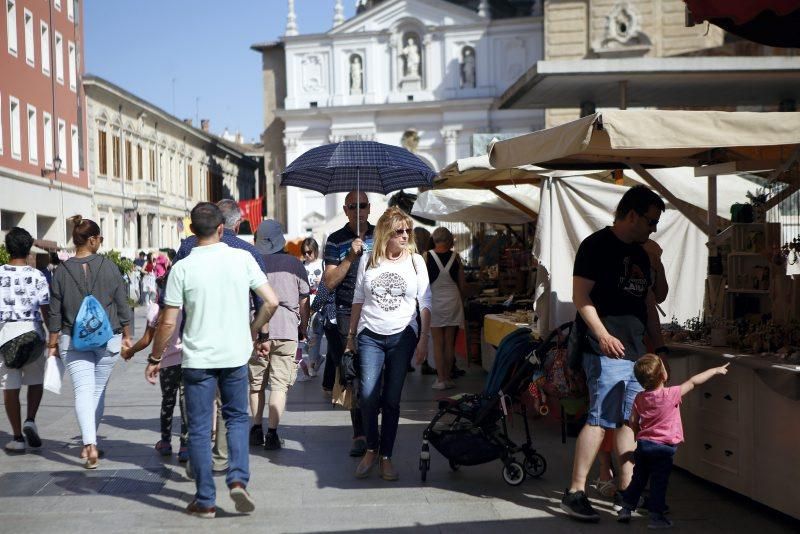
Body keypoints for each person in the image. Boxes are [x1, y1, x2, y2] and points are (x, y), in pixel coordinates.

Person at [146, 202, 278, 518]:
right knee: (235, 417)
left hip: (197, 359)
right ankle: (237, 479)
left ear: (192, 230)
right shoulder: (242, 257)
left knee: (201, 426)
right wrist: (253, 331)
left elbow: (167, 321)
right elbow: (271, 301)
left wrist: (155, 356)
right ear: (222, 228)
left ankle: (205, 499)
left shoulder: (182, 266)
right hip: (234, 354)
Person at [561, 185, 666, 522]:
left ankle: (627, 488)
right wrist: (602, 335)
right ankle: (575, 491)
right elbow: (581, 297)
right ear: (631, 214)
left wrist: (658, 347)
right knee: (599, 418)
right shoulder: (596, 246)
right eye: (650, 221)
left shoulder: (641, 253)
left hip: (635, 350)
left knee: (627, 420)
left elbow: (652, 301)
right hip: (604, 348)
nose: (653, 228)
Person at [174, 199, 267, 470]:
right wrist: (260, 335)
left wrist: (157, 354)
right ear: (234, 224)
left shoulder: (186, 249)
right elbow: (264, 301)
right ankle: (222, 458)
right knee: (232, 406)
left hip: (195, 339)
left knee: (195, 402)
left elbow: (172, 299)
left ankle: (191, 450)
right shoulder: (248, 253)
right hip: (233, 341)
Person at [346, 207, 431, 481]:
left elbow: (425, 302)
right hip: (370, 333)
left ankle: (386, 456)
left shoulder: (417, 262)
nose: (406, 235)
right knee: (368, 397)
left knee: (392, 400)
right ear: (386, 233)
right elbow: (358, 298)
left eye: (408, 230)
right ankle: (371, 447)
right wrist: (350, 336)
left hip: (403, 335)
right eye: (399, 231)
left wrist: (424, 340)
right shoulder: (369, 261)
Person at [47, 216, 132, 469]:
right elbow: (122, 303)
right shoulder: (109, 267)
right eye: (100, 239)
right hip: (108, 338)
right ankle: (91, 440)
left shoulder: (61, 272)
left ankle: (89, 445)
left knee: (83, 390)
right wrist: (128, 335)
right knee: (97, 391)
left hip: (71, 339)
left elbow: (54, 312)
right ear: (93, 240)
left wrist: (51, 344)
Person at [617, 355, 730, 528]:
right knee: (658, 483)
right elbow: (693, 382)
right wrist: (715, 370)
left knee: (638, 479)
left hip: (643, 445)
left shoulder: (639, 398)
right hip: (663, 449)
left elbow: (633, 420)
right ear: (663, 375)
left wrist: (637, 434)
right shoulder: (671, 394)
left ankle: (626, 508)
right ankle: (656, 518)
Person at [248, 219, 310, 451]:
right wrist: (303, 326)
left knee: (256, 385)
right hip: (286, 328)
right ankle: (272, 434)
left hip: (257, 327)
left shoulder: (253, 262)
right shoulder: (294, 264)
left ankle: (256, 429)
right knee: (279, 386)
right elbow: (304, 299)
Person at [322, 190, 375, 457]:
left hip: (377, 311)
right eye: (352, 206)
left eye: (362, 205)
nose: (357, 210)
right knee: (353, 373)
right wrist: (350, 257)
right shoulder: (335, 240)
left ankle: (374, 428)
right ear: (345, 210)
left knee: (376, 374)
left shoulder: (382, 235)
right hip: (344, 313)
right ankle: (360, 433)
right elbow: (329, 282)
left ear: (369, 208)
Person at [122, 274, 188, 462]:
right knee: (186, 403)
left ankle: (165, 442)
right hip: (188, 360)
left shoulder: (156, 309)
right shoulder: (187, 306)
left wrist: (130, 352)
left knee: (168, 401)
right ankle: (185, 446)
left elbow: (146, 340)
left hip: (166, 362)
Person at [0, 228, 49, 452]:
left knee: (10, 386)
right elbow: (46, 309)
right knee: (36, 380)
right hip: (33, 333)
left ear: (6, 248)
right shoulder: (37, 275)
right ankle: (30, 419)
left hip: (6, 335)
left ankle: (17, 437)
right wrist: (53, 335)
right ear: (29, 249)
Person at [425, 227, 465, 389]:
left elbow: (422, 283)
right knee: (449, 343)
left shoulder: (426, 257)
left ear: (434, 240)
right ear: (449, 241)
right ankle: (448, 378)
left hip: (434, 302)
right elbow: (462, 284)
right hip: (453, 301)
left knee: (437, 343)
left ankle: (440, 379)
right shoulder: (456, 258)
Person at [301, 238, 325, 378]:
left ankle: (311, 365)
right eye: (304, 253)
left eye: (309, 252)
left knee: (315, 335)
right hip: (305, 303)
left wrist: (322, 281)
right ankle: (317, 359)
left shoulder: (323, 264)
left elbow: (331, 281)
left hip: (318, 303)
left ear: (315, 250)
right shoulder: (301, 264)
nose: (307, 255)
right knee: (306, 336)